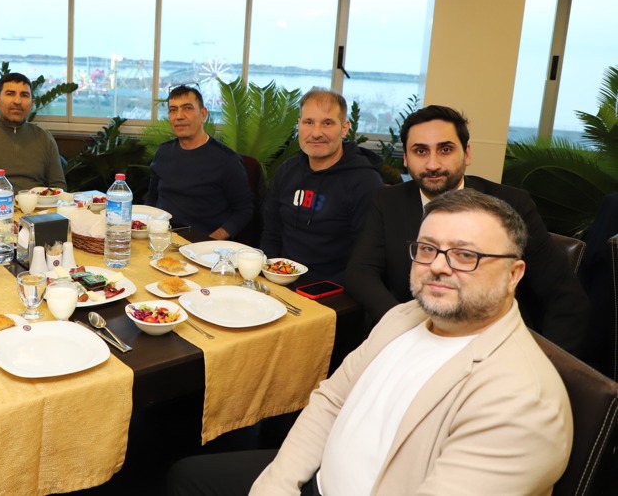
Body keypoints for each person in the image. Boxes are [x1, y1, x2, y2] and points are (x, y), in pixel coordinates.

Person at [169, 189, 573, 496]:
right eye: (428, 249)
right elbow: (331, 401)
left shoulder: (522, 402)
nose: (437, 266)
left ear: (514, 274)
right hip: (320, 475)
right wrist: (277, 484)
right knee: (186, 475)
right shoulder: (405, 317)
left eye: (465, 255)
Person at [344, 105, 590, 355]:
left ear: (467, 153)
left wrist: (540, 362)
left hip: (491, 348)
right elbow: (360, 272)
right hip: (407, 343)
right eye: (420, 151)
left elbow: (565, 297)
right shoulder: (387, 201)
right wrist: (407, 328)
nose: (433, 164)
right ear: (406, 158)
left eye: (445, 149)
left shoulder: (513, 204)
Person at [260, 88, 383, 280]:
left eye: (327, 123)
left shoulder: (365, 182)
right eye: (308, 122)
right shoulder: (287, 171)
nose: (316, 133)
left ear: (344, 128)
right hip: (280, 280)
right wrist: (272, 273)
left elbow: (367, 258)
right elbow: (271, 232)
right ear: (299, 125)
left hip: (333, 290)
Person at [146, 84, 253, 239]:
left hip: (201, 244)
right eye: (173, 110)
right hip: (160, 237)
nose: (179, 116)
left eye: (187, 108)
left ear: (203, 114)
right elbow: (151, 198)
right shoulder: (163, 152)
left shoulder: (226, 159)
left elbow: (244, 210)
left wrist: (211, 240)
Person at [0, 72, 66, 200]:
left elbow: (58, 188)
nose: (17, 101)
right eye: (10, 94)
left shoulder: (44, 138)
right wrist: (5, 208)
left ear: (32, 104)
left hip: (39, 209)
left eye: (24, 95)